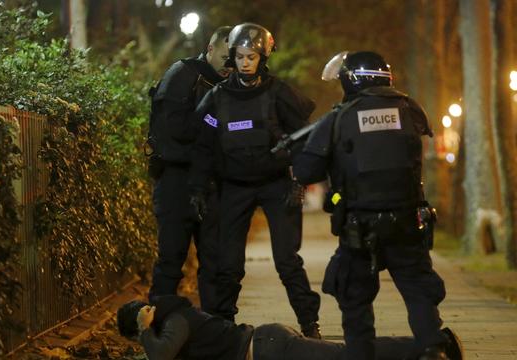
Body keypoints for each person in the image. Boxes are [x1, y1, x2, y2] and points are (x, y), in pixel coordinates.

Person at [292, 51, 450, 360]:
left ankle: (360, 354)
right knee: (419, 290)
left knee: (354, 296)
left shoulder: (339, 117)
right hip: (408, 220)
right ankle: (433, 349)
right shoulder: (410, 109)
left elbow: (307, 171)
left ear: (349, 81)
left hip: (359, 226)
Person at [189, 22, 321, 337]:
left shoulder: (279, 93)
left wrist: (299, 181)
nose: (246, 62)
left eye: (252, 56)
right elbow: (203, 145)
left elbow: (304, 139)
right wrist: (198, 188)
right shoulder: (217, 98)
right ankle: (223, 327)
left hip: (276, 184)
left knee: (287, 261)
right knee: (229, 264)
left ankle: (309, 323)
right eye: (240, 56)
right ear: (232, 57)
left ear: (263, 57)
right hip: (234, 186)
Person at [147, 26, 232, 313]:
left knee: (216, 264)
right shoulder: (183, 74)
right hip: (177, 180)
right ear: (210, 50)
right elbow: (172, 128)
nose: (228, 65)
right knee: (171, 260)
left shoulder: (233, 83)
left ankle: (219, 333)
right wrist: (210, 132)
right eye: (224, 57)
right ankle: (158, 332)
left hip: (213, 184)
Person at [116, 296, 463, 360]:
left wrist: (146, 331)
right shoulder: (175, 320)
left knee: (348, 354)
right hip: (268, 345)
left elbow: (160, 355)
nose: (139, 344)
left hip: (269, 346)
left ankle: (433, 344)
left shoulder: (174, 321)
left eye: (135, 338)